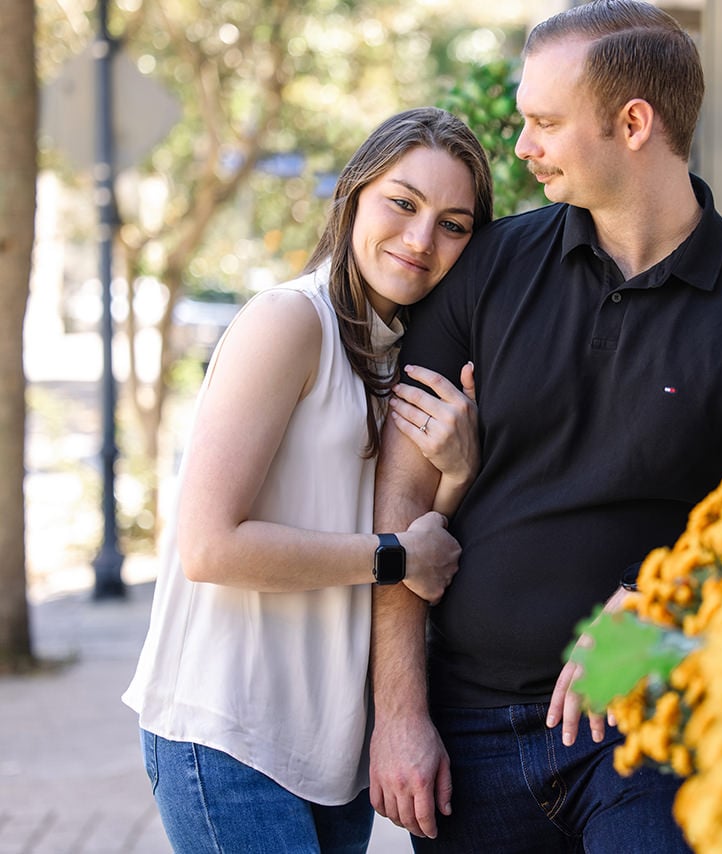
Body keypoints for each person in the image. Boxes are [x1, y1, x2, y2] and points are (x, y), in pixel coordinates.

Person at [369, 2, 722, 850]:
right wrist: (400, 716)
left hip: (648, 730)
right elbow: (400, 502)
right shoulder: (483, 270)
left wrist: (664, 595)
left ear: (633, 124)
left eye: (545, 123)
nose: (522, 147)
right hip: (469, 739)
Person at [122, 106, 494, 853]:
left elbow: (416, 545)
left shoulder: (405, 353)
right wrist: (391, 555)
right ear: (354, 193)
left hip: (331, 751)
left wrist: (455, 476)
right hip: (231, 734)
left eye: (454, 224)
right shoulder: (290, 323)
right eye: (403, 203)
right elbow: (210, 547)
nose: (421, 240)